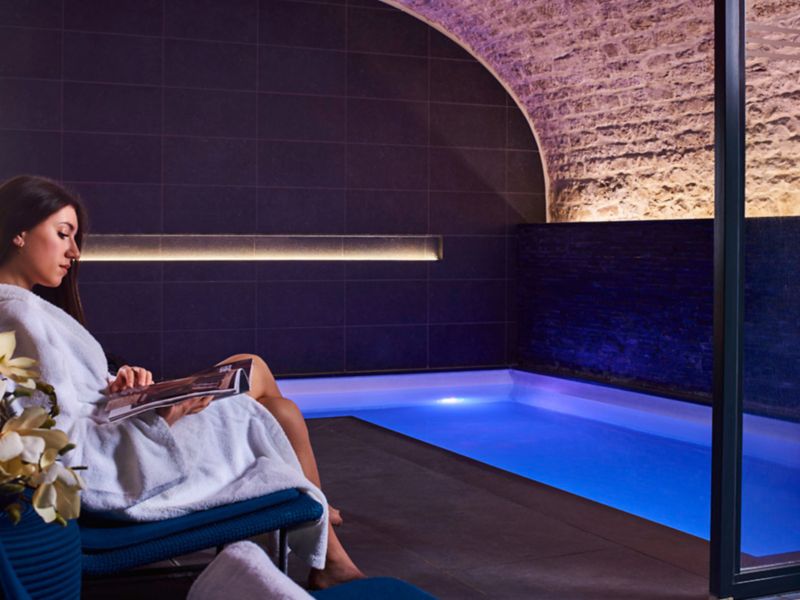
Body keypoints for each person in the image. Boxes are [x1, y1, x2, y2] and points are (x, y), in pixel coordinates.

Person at [0, 174, 362, 589]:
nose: (74, 252)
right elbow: (68, 445)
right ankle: (322, 531)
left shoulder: (21, 310)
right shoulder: (20, 315)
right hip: (132, 460)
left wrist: (120, 386)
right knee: (273, 399)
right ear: (19, 233)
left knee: (268, 392)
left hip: (123, 428)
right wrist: (163, 417)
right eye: (63, 234)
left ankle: (322, 531)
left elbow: (62, 401)